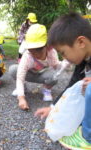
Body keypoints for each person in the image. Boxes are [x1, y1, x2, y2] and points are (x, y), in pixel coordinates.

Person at [35, 13, 91, 149]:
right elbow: (71, 86)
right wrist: (53, 108)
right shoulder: (83, 60)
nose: (65, 58)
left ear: (81, 42)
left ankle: (87, 138)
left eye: (63, 52)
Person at [9, 24, 68, 110]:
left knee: (54, 76)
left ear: (46, 46)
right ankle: (22, 89)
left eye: (38, 50)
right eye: (31, 50)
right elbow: (20, 77)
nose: (34, 54)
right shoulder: (27, 56)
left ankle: (46, 89)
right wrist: (21, 98)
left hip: (42, 75)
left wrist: (65, 63)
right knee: (13, 69)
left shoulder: (51, 52)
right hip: (29, 74)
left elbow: (56, 66)